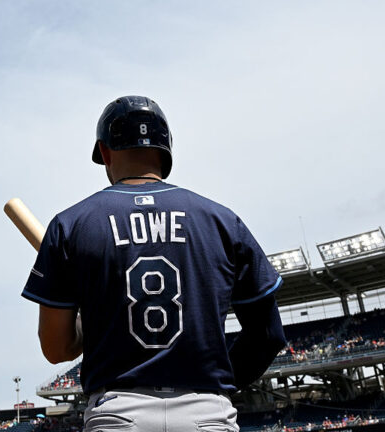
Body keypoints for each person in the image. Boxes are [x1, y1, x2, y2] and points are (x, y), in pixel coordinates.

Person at [21, 95, 286, 431]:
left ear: (104, 152)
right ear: (166, 152)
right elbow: (268, 335)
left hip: (117, 413)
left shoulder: (71, 224)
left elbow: (57, 348)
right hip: (208, 412)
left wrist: (96, 315)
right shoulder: (222, 221)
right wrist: (218, 387)